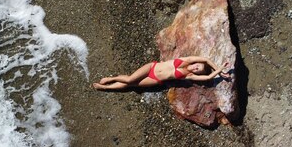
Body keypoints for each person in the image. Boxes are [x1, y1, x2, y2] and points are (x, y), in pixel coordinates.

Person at [92, 56, 231, 91]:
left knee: (132, 85)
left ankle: (105, 88)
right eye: (197, 66)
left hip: (155, 79)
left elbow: (207, 77)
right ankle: (111, 78)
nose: (195, 68)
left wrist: (218, 73)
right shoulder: (186, 60)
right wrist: (221, 68)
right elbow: (206, 59)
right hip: (151, 67)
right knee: (129, 79)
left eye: (197, 70)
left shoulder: (188, 76)